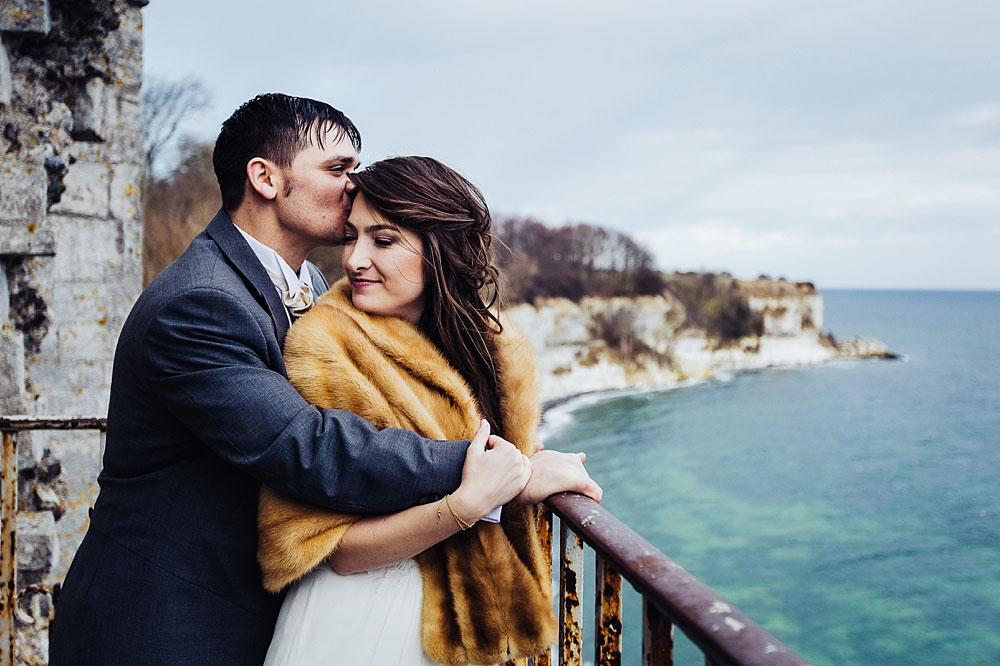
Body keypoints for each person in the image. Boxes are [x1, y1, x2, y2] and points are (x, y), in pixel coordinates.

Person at [49, 94, 599, 665]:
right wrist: (497, 465)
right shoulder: (198, 302)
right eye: (337, 168)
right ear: (264, 177)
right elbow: (305, 447)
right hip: (166, 617)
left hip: (270, 604)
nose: (351, 185)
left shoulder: (312, 283)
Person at [258, 156, 601, 665]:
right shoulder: (327, 348)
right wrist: (472, 502)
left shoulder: (499, 351)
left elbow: (501, 462)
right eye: (353, 237)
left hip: (476, 630)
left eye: (384, 239)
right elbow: (338, 551)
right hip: (364, 626)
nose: (354, 259)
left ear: (441, 247)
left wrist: (519, 470)